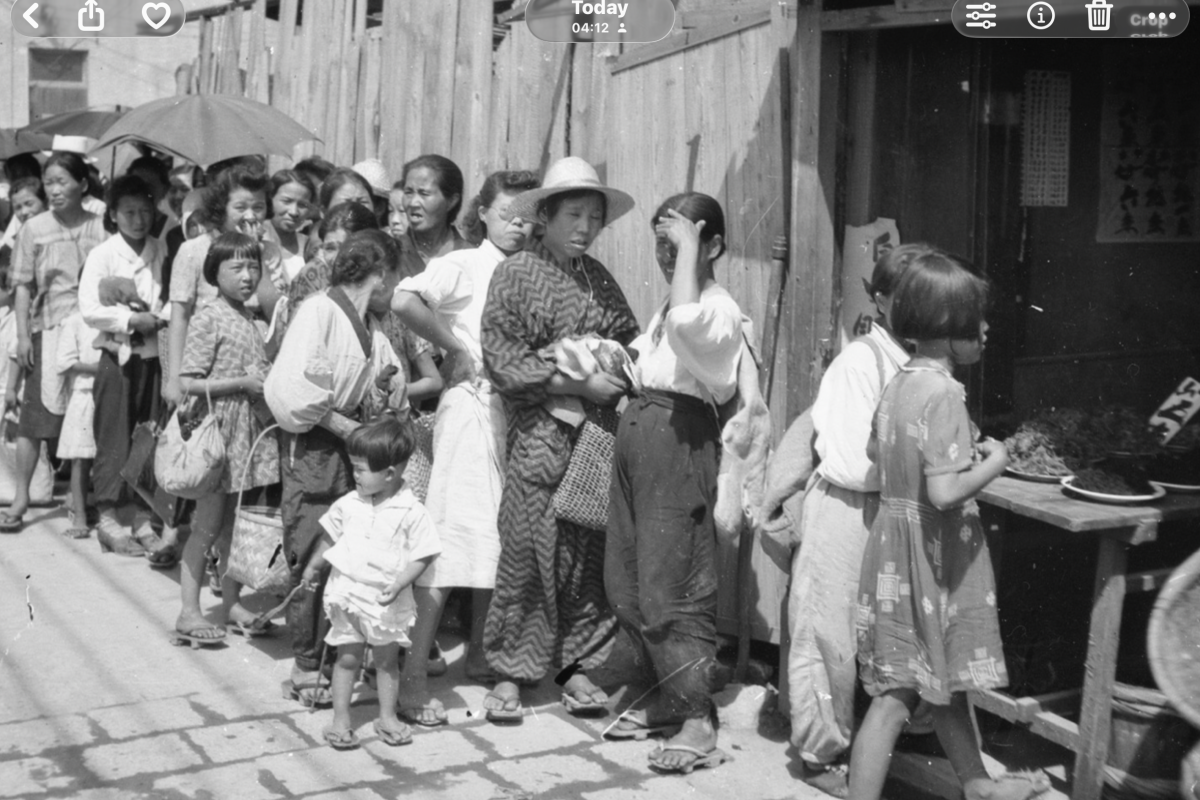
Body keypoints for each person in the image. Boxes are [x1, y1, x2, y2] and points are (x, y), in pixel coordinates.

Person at [849, 253, 1046, 800]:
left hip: (896, 547)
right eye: (974, 320)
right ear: (945, 327)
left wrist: (948, 449)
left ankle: (977, 784)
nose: (985, 329)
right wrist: (996, 460)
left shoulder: (901, 381)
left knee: (944, 681)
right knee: (896, 699)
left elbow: (876, 448)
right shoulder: (945, 392)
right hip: (929, 558)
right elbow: (944, 491)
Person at [479, 156, 639, 721]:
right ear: (543, 215)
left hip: (593, 435)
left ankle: (577, 667)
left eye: (594, 217)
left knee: (585, 555)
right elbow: (501, 358)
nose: (585, 227)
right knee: (527, 548)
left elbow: (631, 341)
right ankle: (510, 672)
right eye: (573, 213)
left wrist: (612, 365)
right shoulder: (516, 273)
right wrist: (573, 377)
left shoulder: (599, 279)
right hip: (539, 431)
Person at [390, 169, 539, 724]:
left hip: (514, 417)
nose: (518, 225)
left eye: (527, 215)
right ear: (482, 214)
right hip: (471, 410)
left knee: (496, 537)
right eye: (506, 214)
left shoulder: (528, 269)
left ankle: (482, 652)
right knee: (450, 542)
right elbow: (406, 300)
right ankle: (409, 684)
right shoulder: (468, 263)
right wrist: (457, 347)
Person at [602, 192, 742, 772]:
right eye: (661, 245)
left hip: (679, 445)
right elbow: (655, 356)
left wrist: (687, 252)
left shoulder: (715, 309)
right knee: (627, 575)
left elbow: (689, 329)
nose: (667, 257)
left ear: (712, 246)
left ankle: (696, 715)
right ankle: (660, 693)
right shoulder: (672, 304)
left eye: (680, 245)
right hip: (642, 436)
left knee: (672, 582)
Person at [787, 243, 928, 796]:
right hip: (848, 507)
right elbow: (849, 460)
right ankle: (820, 752)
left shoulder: (917, 362)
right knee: (829, 633)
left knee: (893, 627)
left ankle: (891, 735)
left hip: (894, 508)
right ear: (882, 299)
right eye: (908, 299)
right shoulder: (859, 362)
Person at [265, 229, 410, 708]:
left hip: (355, 450)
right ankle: (306, 664)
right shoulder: (320, 312)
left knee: (354, 557)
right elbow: (288, 391)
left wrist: (386, 393)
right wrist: (347, 426)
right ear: (383, 274)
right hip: (317, 450)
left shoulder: (371, 326)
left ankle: (339, 660)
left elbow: (385, 382)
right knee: (313, 554)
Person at [300, 416, 441, 749]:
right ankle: (341, 720)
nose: (354, 475)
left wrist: (401, 583)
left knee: (386, 662)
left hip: (383, 602)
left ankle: (387, 716)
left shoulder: (412, 511)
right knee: (346, 659)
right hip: (347, 596)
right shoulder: (348, 504)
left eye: (361, 469)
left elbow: (425, 553)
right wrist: (312, 568)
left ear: (390, 474)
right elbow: (329, 538)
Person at [173, 232, 281, 645]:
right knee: (207, 526)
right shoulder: (208, 317)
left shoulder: (253, 320)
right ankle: (188, 610)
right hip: (220, 435)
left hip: (248, 437)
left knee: (234, 528)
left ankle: (233, 604)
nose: (247, 275)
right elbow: (187, 380)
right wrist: (242, 383)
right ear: (213, 274)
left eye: (253, 266)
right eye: (236, 268)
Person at [5, 153, 107, 534]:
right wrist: (21, 335)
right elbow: (22, 286)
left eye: (63, 181)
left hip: (92, 333)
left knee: (86, 419)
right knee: (36, 421)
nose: (55, 189)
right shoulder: (34, 228)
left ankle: (84, 501)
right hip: (45, 329)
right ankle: (21, 497)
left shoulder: (102, 227)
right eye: (49, 183)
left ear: (82, 184)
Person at [77, 174, 170, 558]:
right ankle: (109, 516)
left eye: (145, 211)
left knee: (149, 435)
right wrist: (131, 321)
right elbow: (90, 310)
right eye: (129, 212)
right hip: (118, 357)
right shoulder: (103, 255)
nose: (138, 219)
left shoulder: (161, 250)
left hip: (152, 356)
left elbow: (169, 296)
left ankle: (145, 519)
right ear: (113, 214)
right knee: (114, 435)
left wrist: (158, 317)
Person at [165, 164, 284, 406]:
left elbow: (276, 313)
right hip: (207, 366)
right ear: (221, 209)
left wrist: (256, 254)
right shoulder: (194, 250)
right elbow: (179, 317)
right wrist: (174, 378)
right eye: (240, 207)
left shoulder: (269, 251)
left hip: (256, 366)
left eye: (258, 207)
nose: (250, 215)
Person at [53, 309, 100, 540]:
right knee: (80, 458)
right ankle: (79, 514)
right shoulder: (73, 321)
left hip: (111, 394)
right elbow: (65, 362)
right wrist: (102, 370)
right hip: (83, 393)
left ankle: (107, 512)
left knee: (108, 456)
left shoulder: (117, 319)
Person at [395, 155, 470, 279]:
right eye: (408, 192)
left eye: (424, 193)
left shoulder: (469, 257)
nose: (413, 203)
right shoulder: (389, 253)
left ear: (451, 201)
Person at [268, 169, 315, 283]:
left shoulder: (308, 246)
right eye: (286, 201)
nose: (294, 212)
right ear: (269, 199)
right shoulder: (254, 239)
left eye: (303, 205)